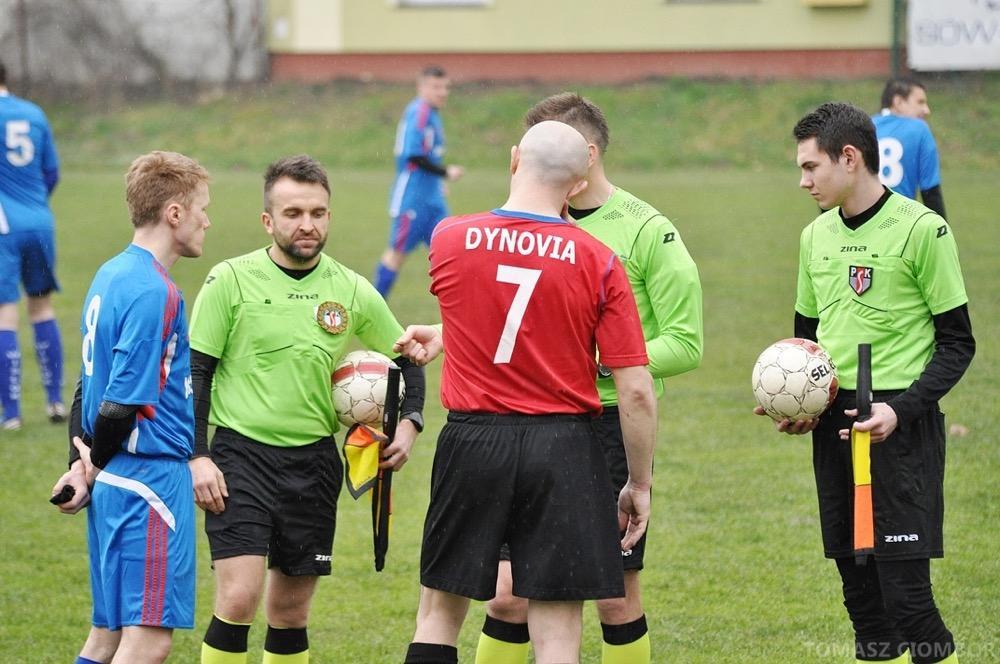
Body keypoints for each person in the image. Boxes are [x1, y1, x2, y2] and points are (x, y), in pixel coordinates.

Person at [396, 120, 657, 664]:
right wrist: (638, 483)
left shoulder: (449, 238)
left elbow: (496, 312)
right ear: (578, 184)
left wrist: (446, 334)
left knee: (438, 616)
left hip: (473, 441)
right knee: (557, 634)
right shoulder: (599, 260)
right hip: (565, 448)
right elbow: (634, 390)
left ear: (514, 158)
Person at [474, 93, 703, 664]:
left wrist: (600, 360)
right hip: (527, 420)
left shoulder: (647, 230)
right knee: (506, 595)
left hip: (608, 426)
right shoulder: (525, 223)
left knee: (614, 597)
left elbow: (685, 343)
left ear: (587, 154)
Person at [188, 155, 426, 664]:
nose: (307, 224)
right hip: (239, 459)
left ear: (329, 216)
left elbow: (409, 356)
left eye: (317, 213)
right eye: (293, 213)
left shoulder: (350, 287)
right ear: (268, 220)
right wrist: (198, 455)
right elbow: (196, 374)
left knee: (291, 613)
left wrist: (410, 422)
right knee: (238, 599)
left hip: (314, 464)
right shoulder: (230, 280)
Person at [759, 102, 974, 664]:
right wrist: (803, 405)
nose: (803, 181)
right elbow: (805, 340)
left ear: (849, 158)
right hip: (835, 427)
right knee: (863, 603)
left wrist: (901, 410)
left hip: (900, 427)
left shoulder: (923, 229)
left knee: (909, 602)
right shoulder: (814, 236)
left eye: (811, 167)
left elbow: (958, 343)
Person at [49, 151, 212, 663]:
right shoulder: (153, 291)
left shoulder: (111, 273)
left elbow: (86, 385)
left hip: (116, 479)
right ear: (174, 213)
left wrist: (81, 463)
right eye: (202, 208)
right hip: (148, 484)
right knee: (148, 641)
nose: (208, 220)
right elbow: (121, 403)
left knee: (107, 636)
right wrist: (93, 465)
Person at [0, 58, 65, 430]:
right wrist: (33, 204)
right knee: (41, 308)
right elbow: (51, 173)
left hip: (3, 227)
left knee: (5, 314)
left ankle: (11, 414)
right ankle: (55, 401)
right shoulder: (34, 114)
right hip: (39, 222)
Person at [373, 65, 464, 299]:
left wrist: (437, 182)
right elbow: (413, 155)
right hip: (413, 199)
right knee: (396, 254)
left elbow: (428, 155)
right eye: (436, 87)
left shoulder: (432, 114)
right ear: (421, 87)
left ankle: (459, 310)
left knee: (451, 252)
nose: (442, 92)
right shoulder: (419, 112)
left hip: (433, 200)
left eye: (445, 87)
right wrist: (445, 172)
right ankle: (373, 306)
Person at [872, 78, 946, 218]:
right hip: (900, 220)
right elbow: (930, 192)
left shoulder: (864, 126)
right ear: (898, 102)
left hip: (863, 222)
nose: (927, 110)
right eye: (920, 102)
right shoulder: (919, 128)